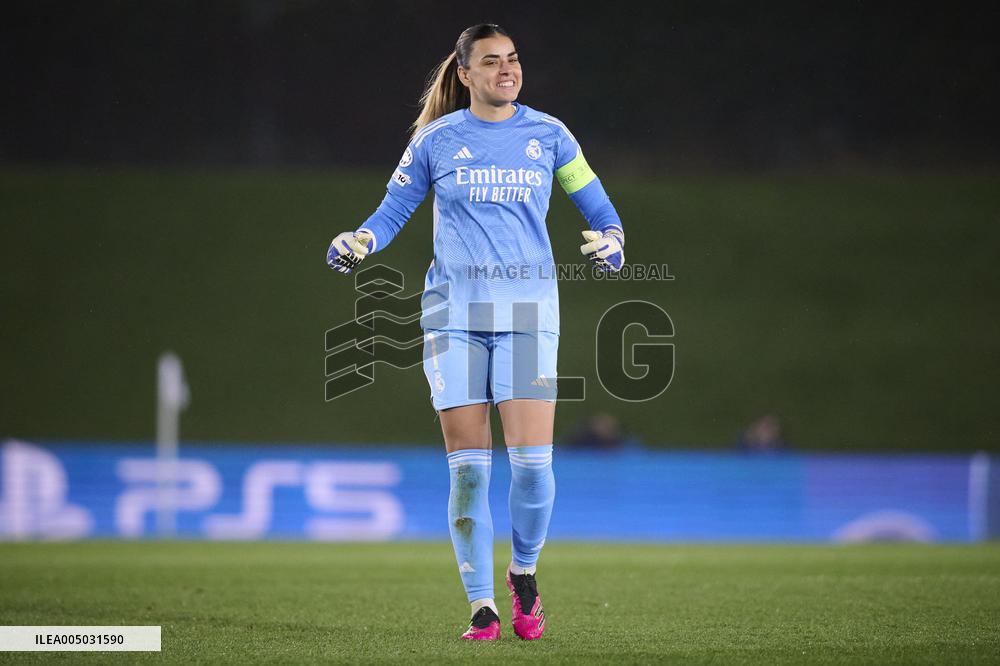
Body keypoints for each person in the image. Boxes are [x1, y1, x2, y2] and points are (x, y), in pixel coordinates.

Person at [327, 23, 625, 641]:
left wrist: (613, 243)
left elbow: (597, 206)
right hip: (452, 318)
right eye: (491, 62)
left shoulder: (550, 136)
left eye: (512, 59)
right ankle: (482, 607)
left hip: (527, 318)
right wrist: (359, 239)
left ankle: (524, 573)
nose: (506, 70)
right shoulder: (437, 141)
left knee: (533, 468)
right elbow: (393, 211)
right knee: (469, 471)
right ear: (465, 75)